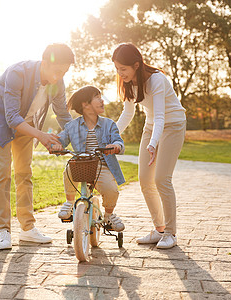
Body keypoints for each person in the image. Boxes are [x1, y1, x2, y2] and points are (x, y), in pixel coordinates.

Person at [0, 43, 75, 250]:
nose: (60, 76)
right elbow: (12, 118)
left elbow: (63, 115)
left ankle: (27, 229)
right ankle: (4, 231)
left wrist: (75, 139)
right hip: (1, 121)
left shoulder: (57, 83)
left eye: (65, 72)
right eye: (58, 71)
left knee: (24, 173)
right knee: (3, 173)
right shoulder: (18, 73)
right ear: (45, 63)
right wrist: (42, 136)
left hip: (28, 123)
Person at [112, 43, 186, 249]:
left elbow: (161, 115)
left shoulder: (156, 79)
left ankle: (171, 233)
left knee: (162, 178)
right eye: (117, 68)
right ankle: (159, 229)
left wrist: (153, 144)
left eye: (123, 69)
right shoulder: (127, 83)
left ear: (136, 65)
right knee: (145, 179)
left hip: (173, 125)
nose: (120, 73)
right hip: (151, 126)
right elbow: (128, 113)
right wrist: (111, 134)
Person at [51, 86, 126, 231]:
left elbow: (118, 141)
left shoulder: (109, 125)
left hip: (101, 166)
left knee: (112, 190)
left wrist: (116, 146)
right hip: (80, 165)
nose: (102, 100)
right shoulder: (72, 126)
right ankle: (69, 203)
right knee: (68, 169)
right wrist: (56, 146)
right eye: (97, 97)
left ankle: (109, 215)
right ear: (85, 104)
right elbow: (61, 140)